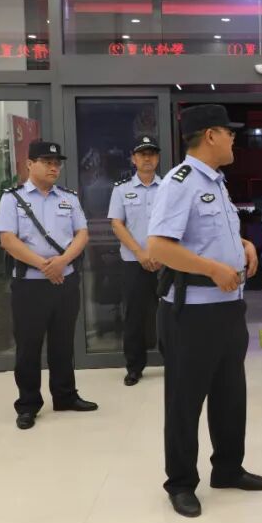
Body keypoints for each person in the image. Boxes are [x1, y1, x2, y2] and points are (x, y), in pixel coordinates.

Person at [147, 104, 262, 518]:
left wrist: (244, 246)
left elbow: (211, 234)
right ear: (211, 135)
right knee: (185, 402)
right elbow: (159, 247)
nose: (234, 139)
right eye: (229, 132)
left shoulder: (216, 181)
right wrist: (213, 268)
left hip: (228, 310)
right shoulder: (180, 182)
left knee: (230, 395)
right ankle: (181, 483)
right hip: (192, 313)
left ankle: (228, 469)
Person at [0, 140, 98, 430]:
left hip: (65, 280)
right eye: (47, 162)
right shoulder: (12, 198)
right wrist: (45, 265)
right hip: (30, 285)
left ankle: (65, 395)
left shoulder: (68, 197)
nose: (54, 167)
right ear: (30, 164)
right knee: (29, 346)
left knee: (63, 342)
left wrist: (61, 262)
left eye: (57, 163)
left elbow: (82, 233)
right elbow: (8, 240)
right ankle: (28, 404)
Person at [107, 134, 163, 386]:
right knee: (134, 316)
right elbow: (117, 224)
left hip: (166, 263)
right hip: (134, 263)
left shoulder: (169, 187)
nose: (147, 158)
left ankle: (174, 361)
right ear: (133, 159)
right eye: (142, 154)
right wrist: (140, 254)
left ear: (157, 158)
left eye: (151, 153)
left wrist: (161, 255)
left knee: (170, 314)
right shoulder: (122, 189)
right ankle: (134, 367)